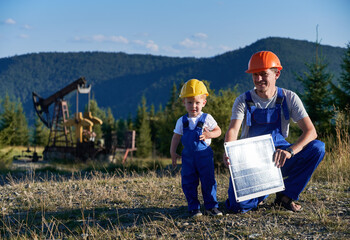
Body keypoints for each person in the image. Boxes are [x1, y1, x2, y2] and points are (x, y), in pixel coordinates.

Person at [224, 51, 325, 213]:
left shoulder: (289, 97)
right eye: (255, 75)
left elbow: (311, 132)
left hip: (280, 158)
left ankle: (285, 197)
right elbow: (233, 130)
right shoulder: (243, 100)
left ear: (277, 74)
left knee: (317, 148)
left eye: (264, 74)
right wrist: (228, 149)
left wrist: (290, 152)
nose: (258, 79)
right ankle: (262, 191)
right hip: (252, 161)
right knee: (237, 207)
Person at [170, 79, 223, 218]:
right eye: (189, 102)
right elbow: (176, 137)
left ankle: (211, 207)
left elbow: (218, 131)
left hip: (204, 157)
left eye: (197, 102)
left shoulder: (207, 118)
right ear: (184, 103)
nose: (193, 106)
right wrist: (173, 152)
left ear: (204, 103)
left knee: (208, 181)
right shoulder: (181, 121)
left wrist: (209, 134)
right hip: (188, 159)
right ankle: (194, 208)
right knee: (188, 182)